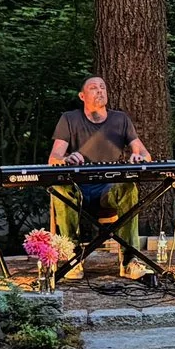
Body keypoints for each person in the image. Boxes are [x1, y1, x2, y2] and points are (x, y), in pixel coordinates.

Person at [48, 75, 154, 266]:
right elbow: (54, 158)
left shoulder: (120, 119)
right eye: (93, 88)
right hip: (77, 191)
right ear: (82, 96)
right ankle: (71, 258)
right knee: (59, 187)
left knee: (129, 188)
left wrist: (138, 157)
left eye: (103, 88)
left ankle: (130, 260)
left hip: (107, 192)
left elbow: (145, 155)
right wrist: (66, 159)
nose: (100, 91)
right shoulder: (69, 119)